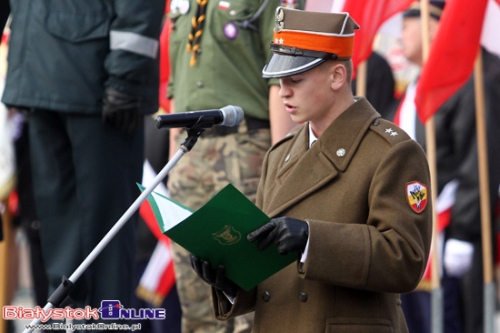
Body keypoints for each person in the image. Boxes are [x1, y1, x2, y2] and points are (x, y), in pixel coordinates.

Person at [189, 6, 433, 332]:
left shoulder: (393, 152)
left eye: (296, 79)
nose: (283, 91)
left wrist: (310, 240)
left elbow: (405, 260)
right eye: (279, 81)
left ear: (337, 76)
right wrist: (228, 278)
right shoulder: (281, 153)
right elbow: (269, 275)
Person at [1, 0, 165, 330]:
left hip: (99, 83)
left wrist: (125, 77)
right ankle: (65, 324)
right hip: (39, 75)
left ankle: (104, 326)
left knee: (105, 240)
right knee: (59, 237)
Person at [166, 0, 304, 332]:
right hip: (189, 150)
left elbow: (281, 77)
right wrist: (173, 162)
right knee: (195, 290)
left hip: (245, 148)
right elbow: (176, 83)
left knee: (251, 286)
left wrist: (281, 163)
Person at [392, 2, 500, 333]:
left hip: (451, 227)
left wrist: (464, 233)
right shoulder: (415, 84)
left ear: (434, 26)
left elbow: (478, 158)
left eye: (407, 24)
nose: (400, 35)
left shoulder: (472, 77)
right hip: (414, 226)